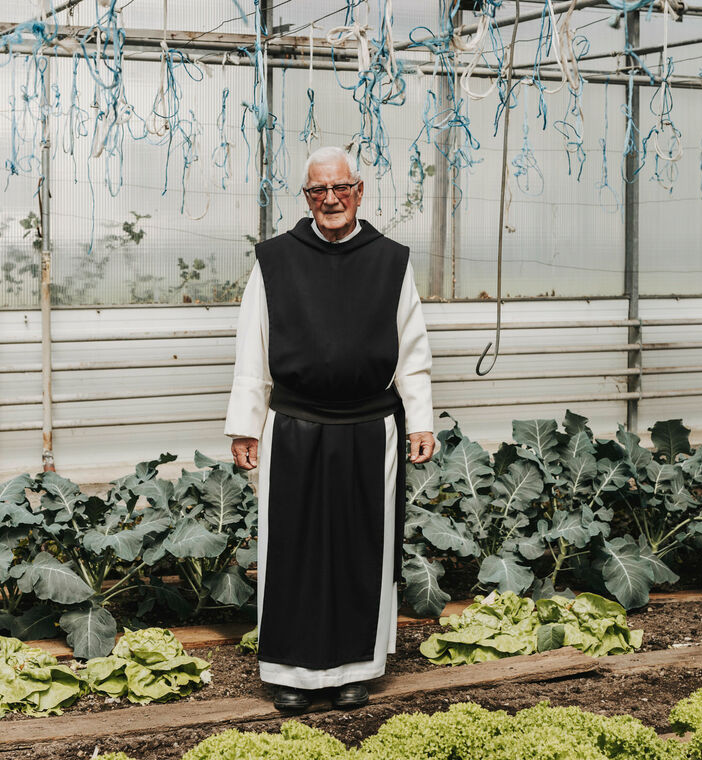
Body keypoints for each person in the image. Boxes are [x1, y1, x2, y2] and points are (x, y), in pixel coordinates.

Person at [224, 146, 435, 714]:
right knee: (290, 549)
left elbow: (413, 350)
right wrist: (245, 427)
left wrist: (420, 419)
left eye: (340, 188)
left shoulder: (390, 260)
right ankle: (288, 672)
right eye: (318, 191)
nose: (331, 200)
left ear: (359, 191)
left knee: (360, 548)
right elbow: (253, 348)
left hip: (371, 429)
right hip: (293, 426)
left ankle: (354, 669)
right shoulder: (274, 260)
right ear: (307, 197)